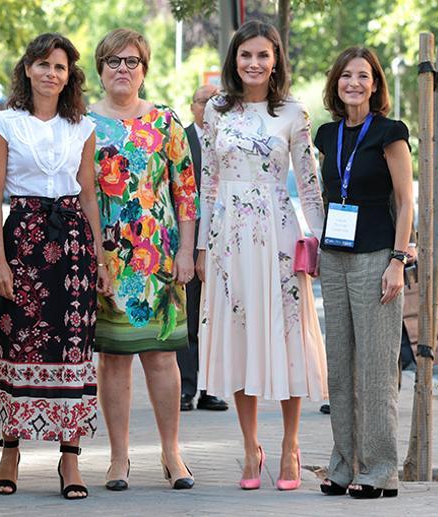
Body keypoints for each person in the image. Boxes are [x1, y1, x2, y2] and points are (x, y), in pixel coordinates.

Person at [195, 20, 328, 491]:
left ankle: (291, 445)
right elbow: (207, 181)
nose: (253, 63)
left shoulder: (293, 113)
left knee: (287, 336)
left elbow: (308, 184)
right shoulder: (216, 110)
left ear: (276, 61)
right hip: (228, 236)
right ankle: (250, 447)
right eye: (245, 55)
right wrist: (201, 246)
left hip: (277, 232)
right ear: (235, 59)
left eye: (263, 55)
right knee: (238, 336)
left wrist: (326, 238)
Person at [0, 33, 111, 500]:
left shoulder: (82, 127)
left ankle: (70, 458)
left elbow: (90, 194)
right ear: (28, 70)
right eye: (42, 64)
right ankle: (10, 450)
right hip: (24, 241)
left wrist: (99, 258)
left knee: (74, 346)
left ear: (68, 76)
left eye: (59, 67)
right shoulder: (4, 124)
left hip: (73, 242)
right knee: (15, 339)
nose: (51, 73)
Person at [88, 28, 197, 491]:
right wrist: (93, 256)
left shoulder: (165, 122)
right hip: (106, 257)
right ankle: (118, 459)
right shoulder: (83, 124)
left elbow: (186, 192)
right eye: (113, 61)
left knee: (160, 356)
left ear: (145, 70)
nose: (123, 69)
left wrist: (188, 251)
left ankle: (172, 454)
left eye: (132, 61)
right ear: (100, 70)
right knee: (113, 359)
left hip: (159, 257)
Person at [314, 47, 414, 499]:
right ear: (336, 83)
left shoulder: (391, 133)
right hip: (333, 256)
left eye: (363, 76)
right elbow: (326, 193)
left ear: (375, 85)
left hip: (377, 256)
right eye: (346, 76)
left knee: (375, 369)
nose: (353, 83)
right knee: (339, 368)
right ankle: (341, 465)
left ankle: (379, 471)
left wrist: (399, 260)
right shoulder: (326, 134)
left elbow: (407, 201)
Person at [177, 85, 229, 413]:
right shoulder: (181, 140)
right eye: (204, 101)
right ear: (194, 106)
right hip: (189, 242)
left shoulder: (230, 140)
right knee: (190, 319)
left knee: (217, 320)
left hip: (226, 243)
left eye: (216, 101)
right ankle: (186, 388)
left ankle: (211, 389)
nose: (209, 106)